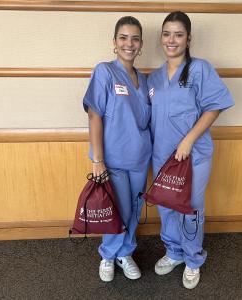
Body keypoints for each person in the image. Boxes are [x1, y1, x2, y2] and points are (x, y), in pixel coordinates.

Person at [147, 11, 234, 289]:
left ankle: (193, 258)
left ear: (188, 39)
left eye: (178, 34)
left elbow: (214, 107)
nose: (171, 40)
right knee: (167, 205)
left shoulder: (200, 69)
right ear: (161, 37)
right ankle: (173, 252)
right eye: (166, 33)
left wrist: (188, 140)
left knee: (190, 207)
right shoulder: (154, 78)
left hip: (193, 155)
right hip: (162, 155)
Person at [83, 16, 151, 282]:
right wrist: (97, 160)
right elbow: (94, 115)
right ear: (114, 42)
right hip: (113, 158)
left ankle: (125, 252)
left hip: (140, 158)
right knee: (117, 208)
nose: (129, 44)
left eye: (135, 38)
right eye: (123, 37)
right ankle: (108, 255)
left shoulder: (144, 81)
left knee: (133, 208)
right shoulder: (104, 72)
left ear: (141, 44)